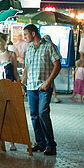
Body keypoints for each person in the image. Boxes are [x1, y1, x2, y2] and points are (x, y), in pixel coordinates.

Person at [21, 24, 61, 156]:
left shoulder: (49, 46)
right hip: (31, 87)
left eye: (26, 34)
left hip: (44, 87)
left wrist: (48, 81)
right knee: (34, 115)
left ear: (33, 34)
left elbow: (57, 65)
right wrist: (22, 83)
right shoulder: (29, 49)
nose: (24, 37)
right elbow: (26, 68)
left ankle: (51, 144)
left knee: (43, 113)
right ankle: (40, 142)